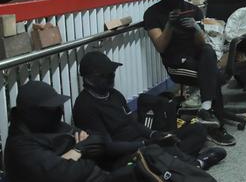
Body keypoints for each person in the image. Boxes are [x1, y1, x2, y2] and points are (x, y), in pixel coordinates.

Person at [72, 52, 228, 170]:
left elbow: (132, 123)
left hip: (141, 142)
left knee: (197, 130)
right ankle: (193, 164)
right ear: (88, 79)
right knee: (156, 149)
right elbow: (108, 148)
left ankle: (175, 162)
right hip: (122, 156)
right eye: (105, 76)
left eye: (112, 74)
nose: (111, 78)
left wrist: (154, 134)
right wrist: (146, 142)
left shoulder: (114, 94)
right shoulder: (85, 106)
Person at [144, 0, 235, 145]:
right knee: (214, 77)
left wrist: (195, 28)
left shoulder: (192, 10)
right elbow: (161, 46)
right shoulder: (153, 14)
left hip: (196, 55)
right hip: (175, 61)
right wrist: (170, 24)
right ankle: (215, 126)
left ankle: (206, 109)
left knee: (208, 50)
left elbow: (201, 44)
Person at [4, 81, 142, 182]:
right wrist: (79, 150)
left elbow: (97, 139)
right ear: (33, 114)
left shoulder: (50, 126)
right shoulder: (20, 147)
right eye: (51, 109)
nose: (58, 112)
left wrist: (78, 152)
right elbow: (66, 173)